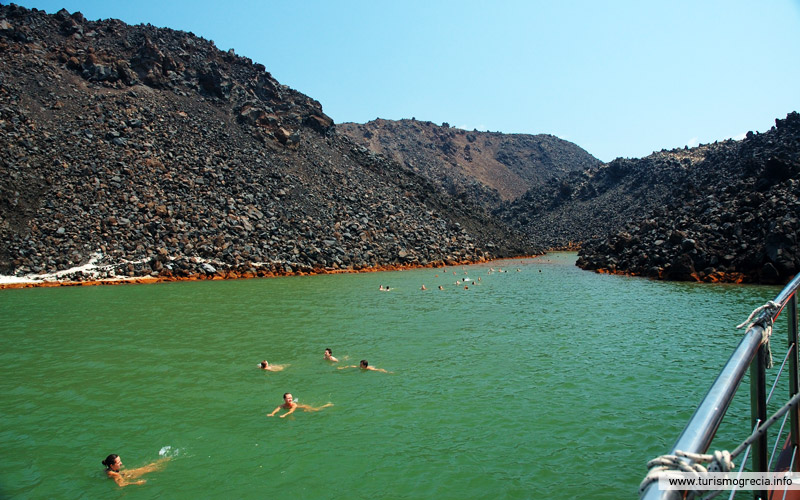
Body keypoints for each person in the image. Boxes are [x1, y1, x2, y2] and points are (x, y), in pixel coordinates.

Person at [101, 454, 169, 487]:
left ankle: (163, 461)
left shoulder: (110, 469)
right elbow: (121, 485)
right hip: (125, 476)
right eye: (118, 463)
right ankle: (164, 461)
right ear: (111, 465)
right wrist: (136, 483)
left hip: (124, 474)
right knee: (148, 469)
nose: (121, 463)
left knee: (147, 468)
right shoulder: (114, 474)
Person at [267, 392, 333, 418]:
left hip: (304, 407)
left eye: (291, 398)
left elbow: (291, 411)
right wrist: (272, 413)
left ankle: (326, 405)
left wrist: (284, 415)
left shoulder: (294, 405)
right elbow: (278, 408)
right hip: (300, 408)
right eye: (288, 398)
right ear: (284, 399)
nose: (290, 399)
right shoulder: (283, 405)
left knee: (316, 409)